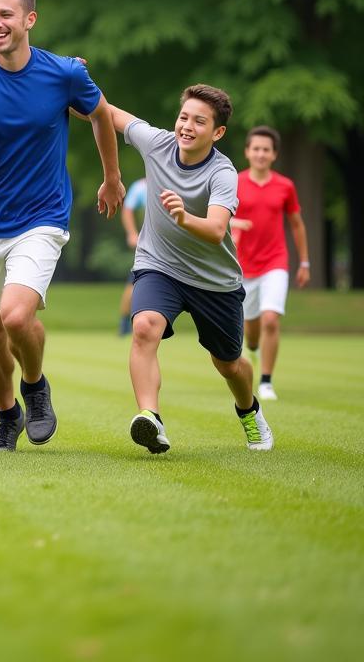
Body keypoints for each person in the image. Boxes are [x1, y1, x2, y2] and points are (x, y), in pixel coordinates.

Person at [0, 0, 125, 452]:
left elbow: (101, 115)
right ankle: (7, 416)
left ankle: (36, 388)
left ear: (28, 20)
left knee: (16, 318)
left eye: (5, 15)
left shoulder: (64, 74)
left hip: (42, 216)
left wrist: (112, 176)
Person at [108, 85, 273, 453]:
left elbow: (216, 230)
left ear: (217, 133)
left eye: (199, 121)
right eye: (184, 117)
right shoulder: (158, 143)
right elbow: (106, 111)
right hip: (159, 265)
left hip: (214, 282)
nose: (187, 126)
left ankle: (249, 411)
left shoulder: (223, 172)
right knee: (144, 327)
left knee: (229, 364)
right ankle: (151, 417)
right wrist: (66, 80)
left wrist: (183, 216)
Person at [231, 126, 310, 401]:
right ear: (247, 152)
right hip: (243, 265)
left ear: (274, 154)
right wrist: (234, 222)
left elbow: (297, 225)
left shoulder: (285, 186)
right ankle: (252, 347)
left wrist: (305, 263)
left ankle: (265, 381)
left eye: (266, 149)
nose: (261, 154)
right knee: (251, 331)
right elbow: (217, 216)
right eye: (256, 149)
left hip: (276, 262)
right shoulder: (236, 182)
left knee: (271, 320)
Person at [117, 178, 147, 336]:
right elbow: (127, 209)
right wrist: (132, 233)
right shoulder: (141, 187)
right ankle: (124, 323)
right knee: (133, 281)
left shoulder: (176, 181)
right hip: (148, 244)